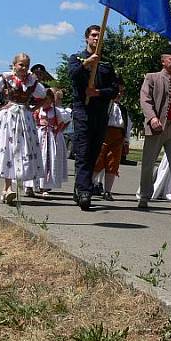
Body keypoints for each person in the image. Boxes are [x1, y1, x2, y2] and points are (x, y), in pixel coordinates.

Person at [0, 53, 46, 205]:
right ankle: (7, 187)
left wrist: (32, 108)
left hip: (24, 117)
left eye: (26, 65)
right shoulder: (6, 79)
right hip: (9, 117)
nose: (23, 68)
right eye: (21, 65)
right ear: (14, 65)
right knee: (8, 148)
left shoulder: (32, 82)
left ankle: (12, 187)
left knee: (22, 150)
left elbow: (45, 96)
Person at [137, 44, 171, 212]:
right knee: (148, 163)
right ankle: (144, 196)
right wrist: (152, 117)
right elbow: (145, 99)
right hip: (157, 127)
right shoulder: (152, 78)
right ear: (163, 61)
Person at [68, 25, 117, 210]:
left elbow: (113, 90)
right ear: (87, 38)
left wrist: (97, 92)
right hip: (83, 111)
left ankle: (79, 187)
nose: (97, 39)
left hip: (100, 113)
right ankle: (85, 191)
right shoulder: (77, 59)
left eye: (100, 36)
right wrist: (87, 63)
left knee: (94, 153)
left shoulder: (106, 64)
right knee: (83, 151)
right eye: (94, 35)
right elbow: (72, 75)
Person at [24, 87, 70, 198]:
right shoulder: (37, 111)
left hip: (50, 137)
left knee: (48, 161)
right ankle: (29, 186)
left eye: (49, 100)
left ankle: (44, 187)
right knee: (35, 160)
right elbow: (33, 123)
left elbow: (63, 122)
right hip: (39, 137)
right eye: (44, 100)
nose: (46, 102)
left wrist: (57, 130)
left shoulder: (56, 111)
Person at [93, 78, 131, 201]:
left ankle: (107, 191)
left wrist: (126, 141)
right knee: (98, 161)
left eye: (122, 92)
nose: (119, 94)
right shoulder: (105, 105)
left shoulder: (123, 109)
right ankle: (88, 186)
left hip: (118, 138)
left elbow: (127, 125)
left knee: (112, 164)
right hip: (104, 134)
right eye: (117, 91)